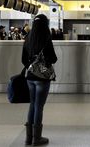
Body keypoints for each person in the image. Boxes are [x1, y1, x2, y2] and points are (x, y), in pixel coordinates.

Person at [22, 14, 57, 146]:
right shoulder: (46, 38)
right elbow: (53, 58)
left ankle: (28, 138)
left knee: (32, 104)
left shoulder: (28, 38)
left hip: (29, 77)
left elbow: (23, 60)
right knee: (39, 107)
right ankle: (37, 138)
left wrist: (31, 67)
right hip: (42, 77)